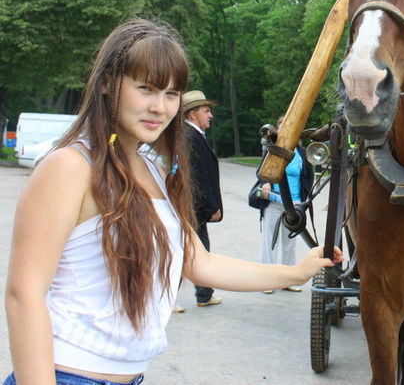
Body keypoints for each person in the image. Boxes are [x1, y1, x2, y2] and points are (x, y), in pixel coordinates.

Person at [3, 19, 342, 385]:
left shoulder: (154, 171)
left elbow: (201, 264)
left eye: (170, 93)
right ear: (106, 83)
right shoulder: (70, 166)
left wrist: (297, 271)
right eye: (145, 88)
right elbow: (25, 295)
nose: (160, 107)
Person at [257, 116, 314, 293]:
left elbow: (308, 177)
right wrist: (264, 182)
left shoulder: (303, 153)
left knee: (289, 242)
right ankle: (267, 281)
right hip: (274, 201)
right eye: (282, 128)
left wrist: (305, 200)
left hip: (294, 203)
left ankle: (287, 280)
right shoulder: (271, 150)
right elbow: (261, 172)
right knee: (270, 242)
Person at [182, 90, 223, 308]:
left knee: (196, 249)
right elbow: (198, 176)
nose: (210, 116)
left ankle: (204, 294)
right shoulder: (190, 137)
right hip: (193, 208)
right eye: (206, 111)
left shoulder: (193, 135)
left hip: (192, 208)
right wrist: (212, 206)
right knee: (187, 250)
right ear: (192, 114)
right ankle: (167, 298)